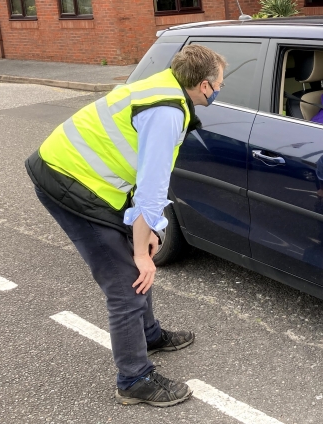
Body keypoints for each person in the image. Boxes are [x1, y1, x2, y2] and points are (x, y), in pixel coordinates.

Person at [25, 45, 227, 407]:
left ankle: (148, 335)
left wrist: (148, 233)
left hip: (84, 177)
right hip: (68, 184)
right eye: (220, 84)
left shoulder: (164, 85)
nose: (220, 89)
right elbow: (150, 188)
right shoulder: (166, 114)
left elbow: (137, 173)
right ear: (205, 86)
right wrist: (141, 249)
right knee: (126, 282)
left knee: (135, 263)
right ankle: (133, 379)